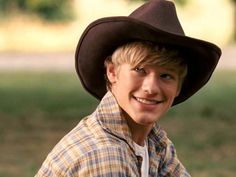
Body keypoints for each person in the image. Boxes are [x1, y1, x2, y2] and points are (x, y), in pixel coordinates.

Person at [35, 0, 221, 176]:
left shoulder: (154, 142)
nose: (151, 88)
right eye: (139, 70)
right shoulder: (105, 155)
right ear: (112, 72)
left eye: (166, 76)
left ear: (178, 86)